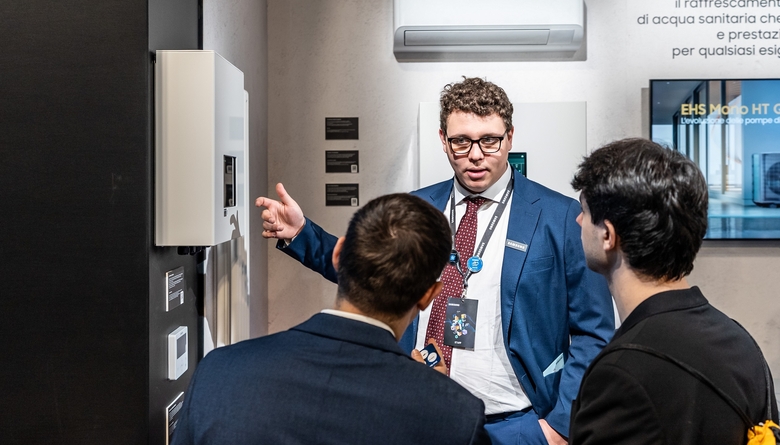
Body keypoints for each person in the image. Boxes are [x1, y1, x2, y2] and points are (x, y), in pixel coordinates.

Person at [257, 77, 615, 444]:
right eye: (461, 141)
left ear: (509, 137)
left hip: (520, 423)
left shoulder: (561, 217)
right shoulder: (417, 207)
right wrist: (302, 234)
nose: (475, 155)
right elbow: (371, 275)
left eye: (489, 140)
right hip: (420, 413)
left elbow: (594, 331)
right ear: (443, 140)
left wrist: (559, 426)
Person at [172, 194, 490, 445]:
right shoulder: (456, 417)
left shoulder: (218, 371)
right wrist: (433, 393)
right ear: (429, 295)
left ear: (338, 256)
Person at [569, 138, 778, 444]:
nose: (578, 221)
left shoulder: (622, 372)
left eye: (584, 211)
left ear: (608, 236)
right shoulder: (740, 342)